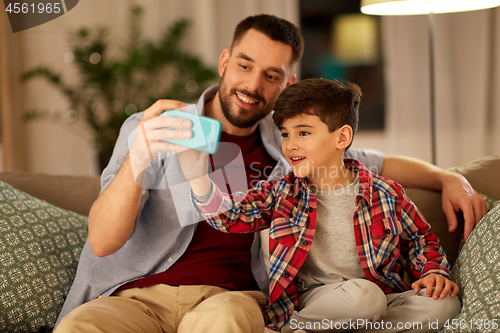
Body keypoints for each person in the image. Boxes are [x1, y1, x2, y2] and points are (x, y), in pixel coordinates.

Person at [55, 14, 482, 333]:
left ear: (286, 83)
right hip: (136, 297)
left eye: (271, 75)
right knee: (82, 327)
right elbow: (103, 240)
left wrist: (450, 178)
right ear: (224, 62)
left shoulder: (290, 148)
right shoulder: (159, 127)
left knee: (227, 323)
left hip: (230, 300)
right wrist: (140, 155)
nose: (252, 84)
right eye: (244, 65)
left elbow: (375, 163)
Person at [182, 78, 462, 332]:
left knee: (445, 305)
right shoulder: (282, 191)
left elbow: (421, 240)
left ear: (342, 137)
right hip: (319, 300)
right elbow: (232, 217)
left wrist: (433, 272)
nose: (290, 145)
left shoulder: (386, 193)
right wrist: (198, 179)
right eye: (285, 133)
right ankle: (294, 329)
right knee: (364, 298)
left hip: (383, 298)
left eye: (303, 133)